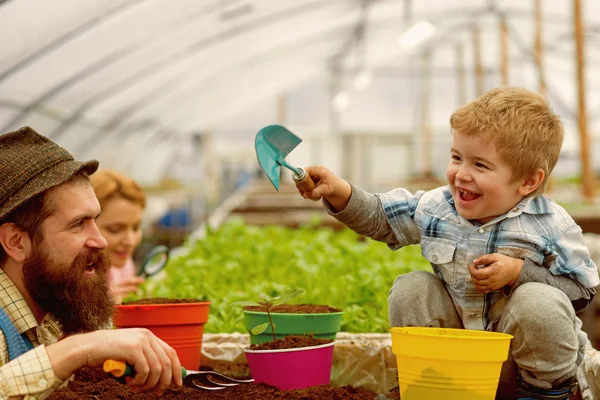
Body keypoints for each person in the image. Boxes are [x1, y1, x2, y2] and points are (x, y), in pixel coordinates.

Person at [296, 87, 599, 400]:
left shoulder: (550, 225)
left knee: (538, 302)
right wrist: (339, 191)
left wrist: (519, 272)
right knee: (413, 287)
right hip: (458, 364)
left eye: (480, 165)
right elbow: (381, 217)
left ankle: (546, 397)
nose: (461, 174)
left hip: (522, 368)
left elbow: (582, 290)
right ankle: (424, 387)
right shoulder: (437, 206)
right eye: (457, 158)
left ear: (528, 181)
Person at [0, 127, 182, 399]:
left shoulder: (52, 311)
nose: (101, 241)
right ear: (16, 242)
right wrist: (82, 348)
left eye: (95, 221)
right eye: (77, 224)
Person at [90, 169, 146, 304]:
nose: (130, 241)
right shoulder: (69, 277)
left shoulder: (125, 264)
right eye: (115, 230)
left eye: (136, 228)